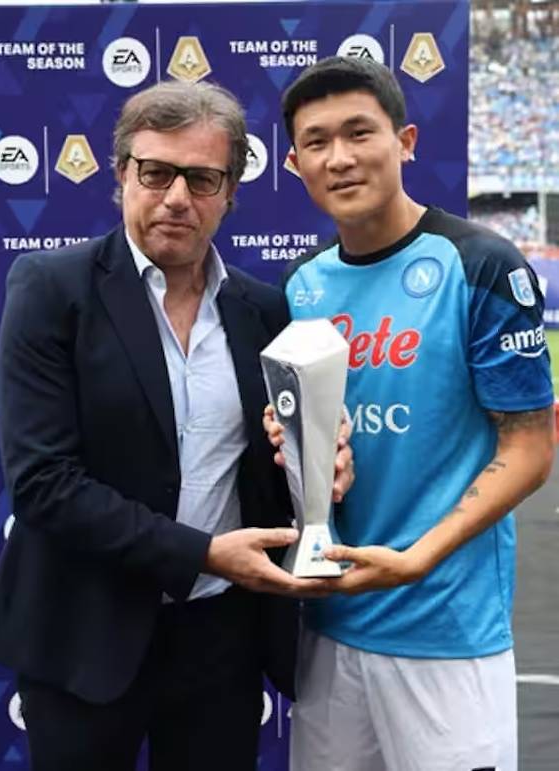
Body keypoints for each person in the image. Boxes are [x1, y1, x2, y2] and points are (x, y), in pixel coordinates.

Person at [0, 80, 353, 771]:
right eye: (155, 172)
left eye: (202, 178)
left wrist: (318, 465)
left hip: (221, 639)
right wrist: (203, 553)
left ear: (230, 192)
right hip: (84, 635)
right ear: (122, 174)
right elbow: (43, 483)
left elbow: (270, 471)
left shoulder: (264, 311)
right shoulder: (52, 289)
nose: (177, 197)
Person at [266, 56, 554, 771]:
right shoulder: (301, 284)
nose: (339, 157)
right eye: (316, 142)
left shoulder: (480, 265)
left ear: (406, 141)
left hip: (445, 629)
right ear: (295, 163)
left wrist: (417, 558)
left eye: (359, 132)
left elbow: (530, 446)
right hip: (329, 623)